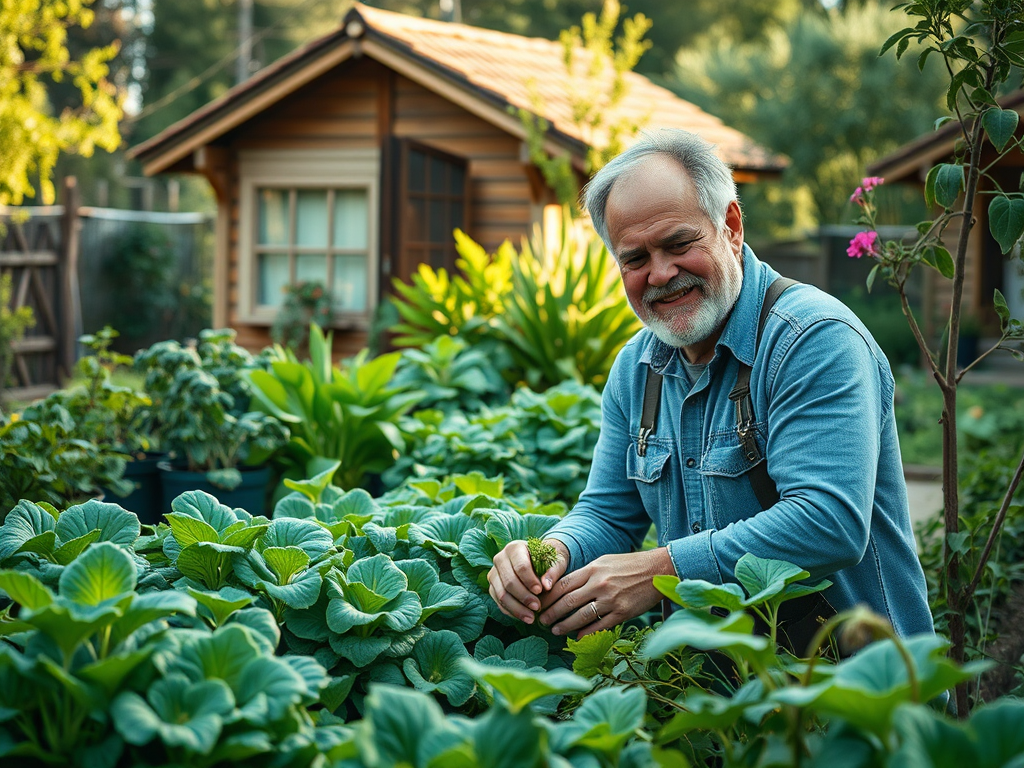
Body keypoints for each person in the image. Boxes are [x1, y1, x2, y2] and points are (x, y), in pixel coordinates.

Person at [487, 129, 934, 643]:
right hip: (713, 697)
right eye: (634, 258)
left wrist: (660, 571)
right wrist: (551, 552)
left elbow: (828, 522)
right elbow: (608, 512)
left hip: (854, 694)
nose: (660, 273)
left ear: (731, 227)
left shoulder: (812, 341)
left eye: (678, 244)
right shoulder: (637, 369)